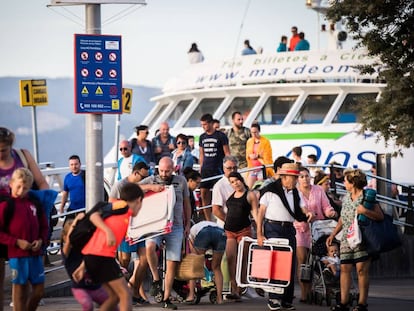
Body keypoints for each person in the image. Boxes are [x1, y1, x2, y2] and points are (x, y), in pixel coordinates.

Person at [75, 182, 144, 311]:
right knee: (125, 294)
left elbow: (97, 240)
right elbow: (94, 216)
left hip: (97, 257)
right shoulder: (122, 206)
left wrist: (83, 265)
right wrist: (108, 231)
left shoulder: (126, 214)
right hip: (101, 257)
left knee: (114, 296)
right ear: (139, 200)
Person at [0, 126, 49, 310]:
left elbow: (41, 182)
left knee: (32, 287)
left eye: (3, 150)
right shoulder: (6, 205)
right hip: (6, 221)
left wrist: (43, 204)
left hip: (28, 232)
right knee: (14, 284)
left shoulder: (22, 156)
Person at [256, 163, 314, 311]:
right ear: (284, 177)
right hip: (273, 227)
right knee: (276, 262)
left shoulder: (295, 192)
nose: (295, 180)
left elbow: (302, 208)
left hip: (289, 228)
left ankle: (286, 299)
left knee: (289, 264)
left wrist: (307, 213)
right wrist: (259, 233)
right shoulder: (270, 190)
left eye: (296, 177)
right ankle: (274, 298)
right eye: (294, 177)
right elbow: (261, 212)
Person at [327, 168, 384, 311]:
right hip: (347, 237)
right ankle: (344, 302)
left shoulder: (366, 197)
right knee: (345, 268)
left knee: (361, 270)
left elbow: (380, 216)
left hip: (362, 237)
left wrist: (365, 211)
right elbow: (342, 217)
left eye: (346, 181)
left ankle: (362, 304)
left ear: (353, 183)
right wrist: (333, 234)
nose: (344, 183)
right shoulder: (346, 197)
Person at [139, 157, 191, 310]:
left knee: (172, 262)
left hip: (175, 226)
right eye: (161, 170)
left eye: (167, 171)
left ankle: (167, 297)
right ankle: (156, 279)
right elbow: (130, 187)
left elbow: (187, 203)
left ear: (173, 169)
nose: (164, 173)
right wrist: (150, 186)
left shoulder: (181, 181)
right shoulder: (152, 179)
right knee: (149, 247)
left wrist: (187, 223)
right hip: (156, 224)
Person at [109, 162, 150, 304]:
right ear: (136, 173)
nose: (145, 179)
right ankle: (119, 292)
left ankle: (134, 291)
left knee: (144, 260)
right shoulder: (120, 186)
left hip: (140, 226)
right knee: (124, 261)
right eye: (143, 176)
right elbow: (112, 207)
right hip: (124, 227)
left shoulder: (142, 186)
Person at [295, 166, 336, 303]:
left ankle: (316, 288)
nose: (305, 179)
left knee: (318, 261)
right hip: (301, 229)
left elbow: (326, 206)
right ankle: (304, 292)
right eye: (301, 176)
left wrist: (330, 212)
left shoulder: (318, 190)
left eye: (307, 176)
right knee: (303, 262)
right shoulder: (295, 192)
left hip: (318, 229)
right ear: (297, 179)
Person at [61, 217, 111, 311]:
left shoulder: (86, 248)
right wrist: (75, 222)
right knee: (88, 305)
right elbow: (69, 240)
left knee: (112, 304)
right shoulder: (67, 252)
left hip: (96, 287)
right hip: (80, 288)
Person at [224, 172, 258, 301]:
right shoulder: (231, 195)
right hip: (230, 231)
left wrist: (260, 231)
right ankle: (234, 288)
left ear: (241, 180)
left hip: (244, 230)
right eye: (232, 182)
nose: (235, 183)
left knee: (242, 259)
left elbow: (255, 213)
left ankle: (239, 288)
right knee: (230, 258)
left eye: (237, 180)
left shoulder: (250, 195)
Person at [185, 221, 226, 305]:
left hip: (205, 233)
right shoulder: (212, 224)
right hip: (220, 233)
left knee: (195, 265)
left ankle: (191, 295)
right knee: (216, 267)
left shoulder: (192, 230)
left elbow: (192, 248)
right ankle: (219, 298)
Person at [199, 113, 230, 221]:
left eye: (205, 124)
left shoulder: (221, 136)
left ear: (211, 123)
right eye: (202, 125)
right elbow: (201, 154)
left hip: (218, 169)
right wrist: (200, 167)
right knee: (204, 193)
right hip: (205, 170)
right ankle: (208, 220)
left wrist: (228, 166)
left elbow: (227, 153)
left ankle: (221, 217)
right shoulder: (202, 137)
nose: (203, 127)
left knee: (220, 192)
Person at [212, 156, 239, 228]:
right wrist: (230, 223)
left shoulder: (241, 182)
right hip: (226, 226)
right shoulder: (219, 186)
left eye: (235, 168)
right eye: (229, 168)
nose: (232, 171)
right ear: (224, 169)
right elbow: (216, 210)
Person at [246, 123, 274, 189]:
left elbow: (267, 154)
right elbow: (247, 153)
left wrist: (258, 156)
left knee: (261, 187)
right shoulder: (249, 141)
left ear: (259, 131)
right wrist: (250, 156)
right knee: (249, 188)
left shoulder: (265, 141)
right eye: (252, 132)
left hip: (262, 168)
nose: (254, 134)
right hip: (252, 168)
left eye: (255, 132)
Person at [60, 155, 86, 221]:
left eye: (76, 164)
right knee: (66, 229)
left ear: (80, 164)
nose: (74, 167)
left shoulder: (86, 175)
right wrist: (62, 207)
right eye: (71, 165)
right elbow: (65, 193)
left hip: (85, 209)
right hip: (72, 208)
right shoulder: (67, 177)